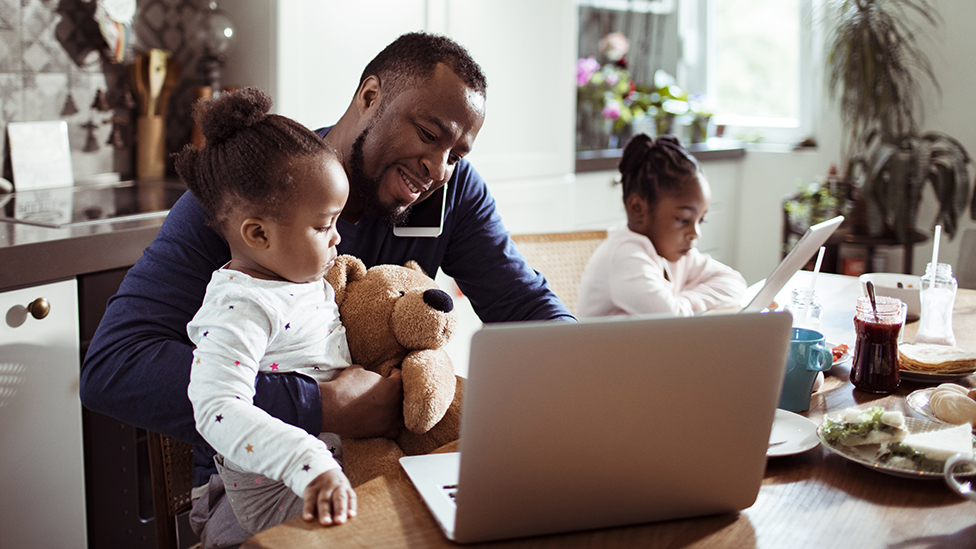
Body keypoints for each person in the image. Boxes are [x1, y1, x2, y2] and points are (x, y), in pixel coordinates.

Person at [80, 32, 573, 548]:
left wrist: (599, 376)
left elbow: (524, 305)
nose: (439, 168)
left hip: (387, 463)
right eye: (429, 133)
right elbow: (115, 367)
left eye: (457, 152)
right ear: (370, 97)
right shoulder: (255, 196)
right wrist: (321, 404)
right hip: (267, 486)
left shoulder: (452, 193)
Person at [179, 88, 356, 534]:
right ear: (258, 234)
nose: (337, 239)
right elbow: (217, 406)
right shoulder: (241, 305)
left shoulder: (296, 280)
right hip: (280, 496)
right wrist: (308, 461)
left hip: (335, 467)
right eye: (323, 225)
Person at [577, 134, 746, 317]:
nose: (695, 233)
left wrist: (685, 301)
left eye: (701, 221)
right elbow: (672, 318)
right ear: (637, 208)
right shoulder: (624, 256)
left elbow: (734, 282)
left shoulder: (674, 253)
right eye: (683, 219)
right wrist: (683, 305)